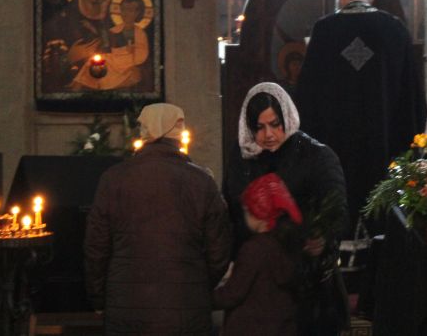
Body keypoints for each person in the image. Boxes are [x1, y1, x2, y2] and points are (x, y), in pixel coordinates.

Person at [295, 0, 427, 234]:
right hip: (383, 148)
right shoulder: (395, 30)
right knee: (381, 219)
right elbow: (413, 99)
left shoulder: (324, 30)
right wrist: (408, 147)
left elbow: (306, 97)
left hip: (334, 149)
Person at [83, 103, 232, 335]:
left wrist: (98, 298)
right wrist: (198, 283)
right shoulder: (202, 182)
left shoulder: (113, 179)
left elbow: (96, 248)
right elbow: (220, 250)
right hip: (186, 308)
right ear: (177, 131)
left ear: (144, 130)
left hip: (126, 307)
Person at [224, 82, 349, 336]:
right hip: (257, 284)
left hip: (307, 284)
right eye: (259, 127)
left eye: (275, 124)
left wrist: (322, 237)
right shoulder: (242, 157)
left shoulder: (317, 156)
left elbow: (336, 209)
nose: (268, 135)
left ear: (287, 118)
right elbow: (230, 207)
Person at [42, 0, 150, 93]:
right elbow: (48, 77)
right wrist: (69, 58)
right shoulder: (56, 25)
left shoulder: (118, 24)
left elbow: (143, 71)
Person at [214, 173, 304, 336]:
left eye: (247, 210)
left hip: (251, 328)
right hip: (282, 327)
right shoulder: (288, 243)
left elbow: (233, 293)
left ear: (259, 212)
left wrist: (200, 298)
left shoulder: (255, 249)